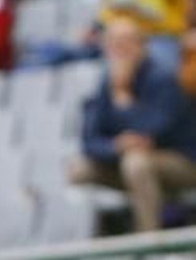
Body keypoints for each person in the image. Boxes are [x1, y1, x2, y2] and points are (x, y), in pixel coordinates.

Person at [69, 17, 196, 232]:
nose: (121, 49)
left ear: (143, 45)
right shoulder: (106, 80)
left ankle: (148, 241)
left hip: (183, 163)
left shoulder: (164, 77)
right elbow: (89, 139)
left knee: (136, 163)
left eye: (127, 41)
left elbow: (152, 132)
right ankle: (99, 242)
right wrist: (116, 146)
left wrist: (123, 98)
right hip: (131, 162)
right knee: (79, 169)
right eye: (114, 43)